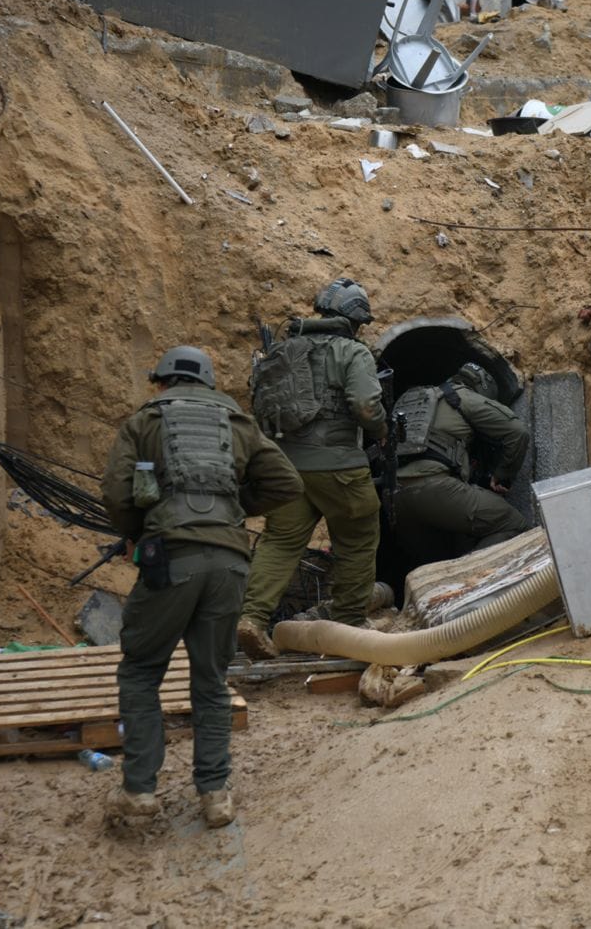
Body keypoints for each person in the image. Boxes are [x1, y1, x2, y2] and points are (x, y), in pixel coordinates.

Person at [100, 345, 302, 830]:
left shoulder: (144, 421)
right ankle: (215, 795)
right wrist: (230, 505)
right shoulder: (237, 422)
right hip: (230, 561)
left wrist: (137, 532)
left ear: (162, 381)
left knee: (141, 671)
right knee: (211, 680)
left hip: (170, 559)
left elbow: (116, 494)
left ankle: (139, 790)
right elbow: (286, 483)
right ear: (209, 383)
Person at [237, 278, 387, 659]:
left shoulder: (286, 349)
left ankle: (252, 618)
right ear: (355, 320)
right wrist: (382, 431)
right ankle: (348, 623)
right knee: (358, 536)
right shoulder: (352, 351)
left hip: (286, 468)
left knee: (280, 541)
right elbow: (366, 406)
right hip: (339, 467)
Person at [390, 361, 530, 562]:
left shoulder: (420, 400)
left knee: (434, 563)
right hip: (434, 487)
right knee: (513, 523)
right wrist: (502, 476)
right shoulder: (463, 396)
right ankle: (470, 575)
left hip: (394, 497)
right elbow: (518, 432)